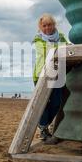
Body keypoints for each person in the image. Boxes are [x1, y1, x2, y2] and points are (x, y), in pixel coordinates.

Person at [32, 13, 68, 141]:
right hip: (41, 75)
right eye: (44, 25)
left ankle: (43, 125)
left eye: (50, 24)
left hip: (59, 74)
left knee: (56, 103)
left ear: (54, 25)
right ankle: (43, 129)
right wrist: (62, 48)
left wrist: (63, 48)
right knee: (42, 104)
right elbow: (47, 52)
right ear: (41, 27)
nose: (48, 28)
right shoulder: (38, 39)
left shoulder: (62, 37)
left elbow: (67, 50)